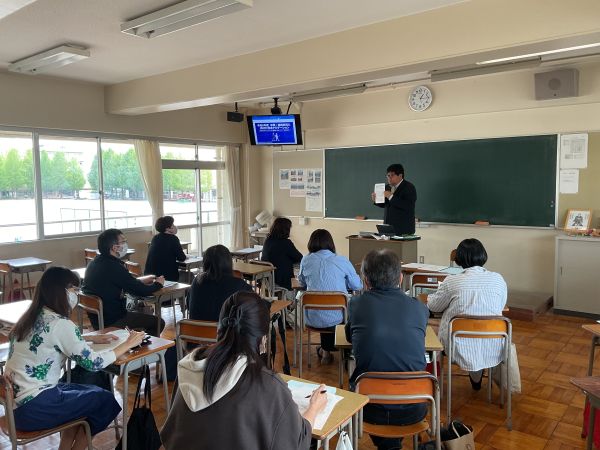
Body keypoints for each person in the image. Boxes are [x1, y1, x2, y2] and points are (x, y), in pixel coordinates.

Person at [160, 291, 327, 450]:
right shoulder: (267, 385)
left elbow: (171, 434)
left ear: (219, 328)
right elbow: (297, 442)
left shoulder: (189, 367)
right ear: (263, 339)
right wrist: (314, 408)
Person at [5, 267, 145, 450]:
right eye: (74, 290)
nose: (76, 295)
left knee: (83, 393)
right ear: (61, 292)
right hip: (36, 408)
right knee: (104, 400)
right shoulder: (61, 324)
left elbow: (47, 340)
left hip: (16, 406)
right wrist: (128, 344)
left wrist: (88, 338)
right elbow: (93, 363)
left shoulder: (30, 318)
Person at [345, 249, 428, 450]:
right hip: (414, 406)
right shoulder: (419, 307)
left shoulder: (356, 304)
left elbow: (349, 336)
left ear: (365, 280)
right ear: (400, 278)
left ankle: (389, 445)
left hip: (369, 406)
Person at [427, 238, 507, 390]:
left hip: (457, 346)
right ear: (483, 255)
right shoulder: (498, 279)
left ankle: (433, 383)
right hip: (493, 344)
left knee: (432, 331)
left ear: (459, 259)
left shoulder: (452, 281)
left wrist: (430, 297)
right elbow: (501, 306)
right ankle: (476, 374)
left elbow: (434, 306)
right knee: (476, 332)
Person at [83, 228, 165, 336]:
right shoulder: (114, 267)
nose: (126, 244)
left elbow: (119, 281)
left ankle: (136, 341)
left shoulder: (94, 262)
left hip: (98, 318)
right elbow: (141, 291)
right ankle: (140, 345)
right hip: (113, 319)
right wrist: (158, 284)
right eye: (123, 241)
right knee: (158, 322)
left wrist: (139, 280)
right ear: (115, 248)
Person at [298, 229, 362, 364]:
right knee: (347, 306)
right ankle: (343, 351)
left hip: (312, 317)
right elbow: (357, 286)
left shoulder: (306, 260)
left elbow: (302, 282)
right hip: (338, 317)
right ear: (331, 243)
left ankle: (325, 351)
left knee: (322, 303)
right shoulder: (342, 260)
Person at [188, 244, 253, 321]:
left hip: (195, 328)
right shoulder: (239, 285)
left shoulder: (197, 282)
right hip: (225, 328)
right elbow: (255, 308)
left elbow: (189, 305)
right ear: (229, 262)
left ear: (205, 263)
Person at [371, 163, 417, 235]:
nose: (389, 178)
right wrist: (376, 200)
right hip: (387, 228)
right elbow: (386, 204)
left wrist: (390, 196)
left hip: (403, 229)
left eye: (392, 175)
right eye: (388, 175)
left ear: (400, 175)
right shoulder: (387, 187)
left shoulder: (409, 187)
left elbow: (407, 206)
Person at [261, 217, 303, 291]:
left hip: (267, 279)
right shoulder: (286, 243)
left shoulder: (267, 240)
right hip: (282, 280)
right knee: (302, 282)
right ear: (286, 230)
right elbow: (299, 257)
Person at [145, 215, 187, 282]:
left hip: (149, 276)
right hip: (165, 277)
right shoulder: (173, 239)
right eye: (173, 225)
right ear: (167, 228)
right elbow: (182, 258)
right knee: (184, 275)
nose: (175, 227)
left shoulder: (155, 238)